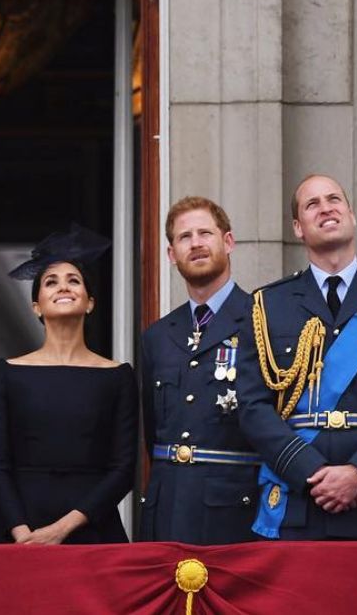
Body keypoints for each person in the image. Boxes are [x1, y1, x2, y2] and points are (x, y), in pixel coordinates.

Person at [236, 174, 357, 540]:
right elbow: (252, 406)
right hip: (298, 501)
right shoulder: (267, 305)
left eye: (334, 199)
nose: (326, 208)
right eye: (312, 204)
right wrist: (310, 471)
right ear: (298, 227)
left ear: (352, 215)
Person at [0, 225, 138, 544]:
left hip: (93, 529)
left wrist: (61, 530)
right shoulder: (7, 373)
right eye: (50, 282)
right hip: (22, 532)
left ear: (90, 302)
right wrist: (23, 534)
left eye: (74, 280)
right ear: (37, 306)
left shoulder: (118, 375)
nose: (63, 287)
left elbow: (123, 469)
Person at [139, 197, 260, 544]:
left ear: (228, 241)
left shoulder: (262, 321)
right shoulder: (158, 335)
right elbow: (154, 430)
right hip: (168, 508)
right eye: (184, 237)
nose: (196, 243)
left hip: (235, 511)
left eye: (205, 233)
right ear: (171, 254)